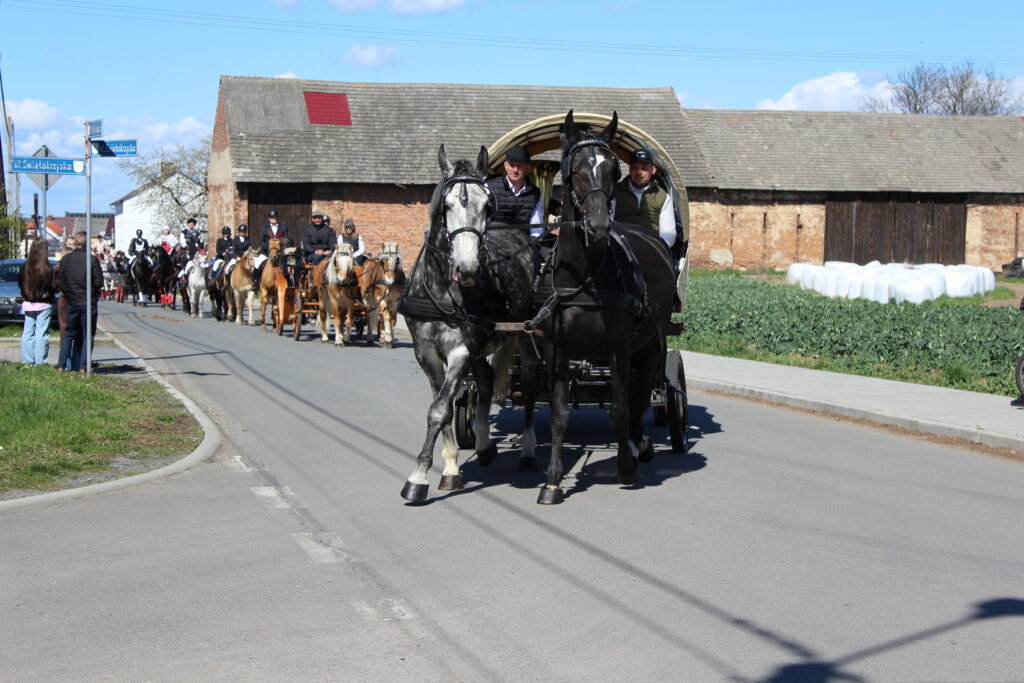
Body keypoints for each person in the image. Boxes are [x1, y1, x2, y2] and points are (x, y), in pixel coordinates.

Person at [56, 231, 103, 373]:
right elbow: (99, 282)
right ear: (86, 243)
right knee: (87, 335)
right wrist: (92, 293)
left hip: (72, 302)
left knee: (69, 334)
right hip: (88, 303)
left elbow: (60, 281)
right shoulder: (92, 260)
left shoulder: (65, 260)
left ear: (75, 242)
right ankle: (83, 367)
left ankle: (61, 365)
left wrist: (69, 293)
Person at [612, 148, 676, 248]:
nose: (639, 172)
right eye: (635, 168)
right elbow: (608, 221)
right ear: (629, 169)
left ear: (653, 170)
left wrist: (658, 247)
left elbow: (668, 231)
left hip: (651, 247)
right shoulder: (615, 192)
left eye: (644, 168)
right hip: (620, 247)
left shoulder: (663, 197)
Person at [485, 145, 544, 236]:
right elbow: (483, 223)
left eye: (519, 166)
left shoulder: (535, 194)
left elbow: (537, 227)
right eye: (512, 165)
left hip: (523, 246)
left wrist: (532, 244)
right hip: (494, 246)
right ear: (505, 166)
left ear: (528, 167)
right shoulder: (489, 187)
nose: (515, 170)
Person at [17, 239, 56, 365]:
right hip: (44, 303)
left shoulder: (25, 266)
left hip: (28, 303)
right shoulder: (47, 268)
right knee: (41, 333)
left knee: (27, 333)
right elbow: (52, 286)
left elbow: (20, 283)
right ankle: (40, 362)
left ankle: (27, 361)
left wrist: (26, 295)